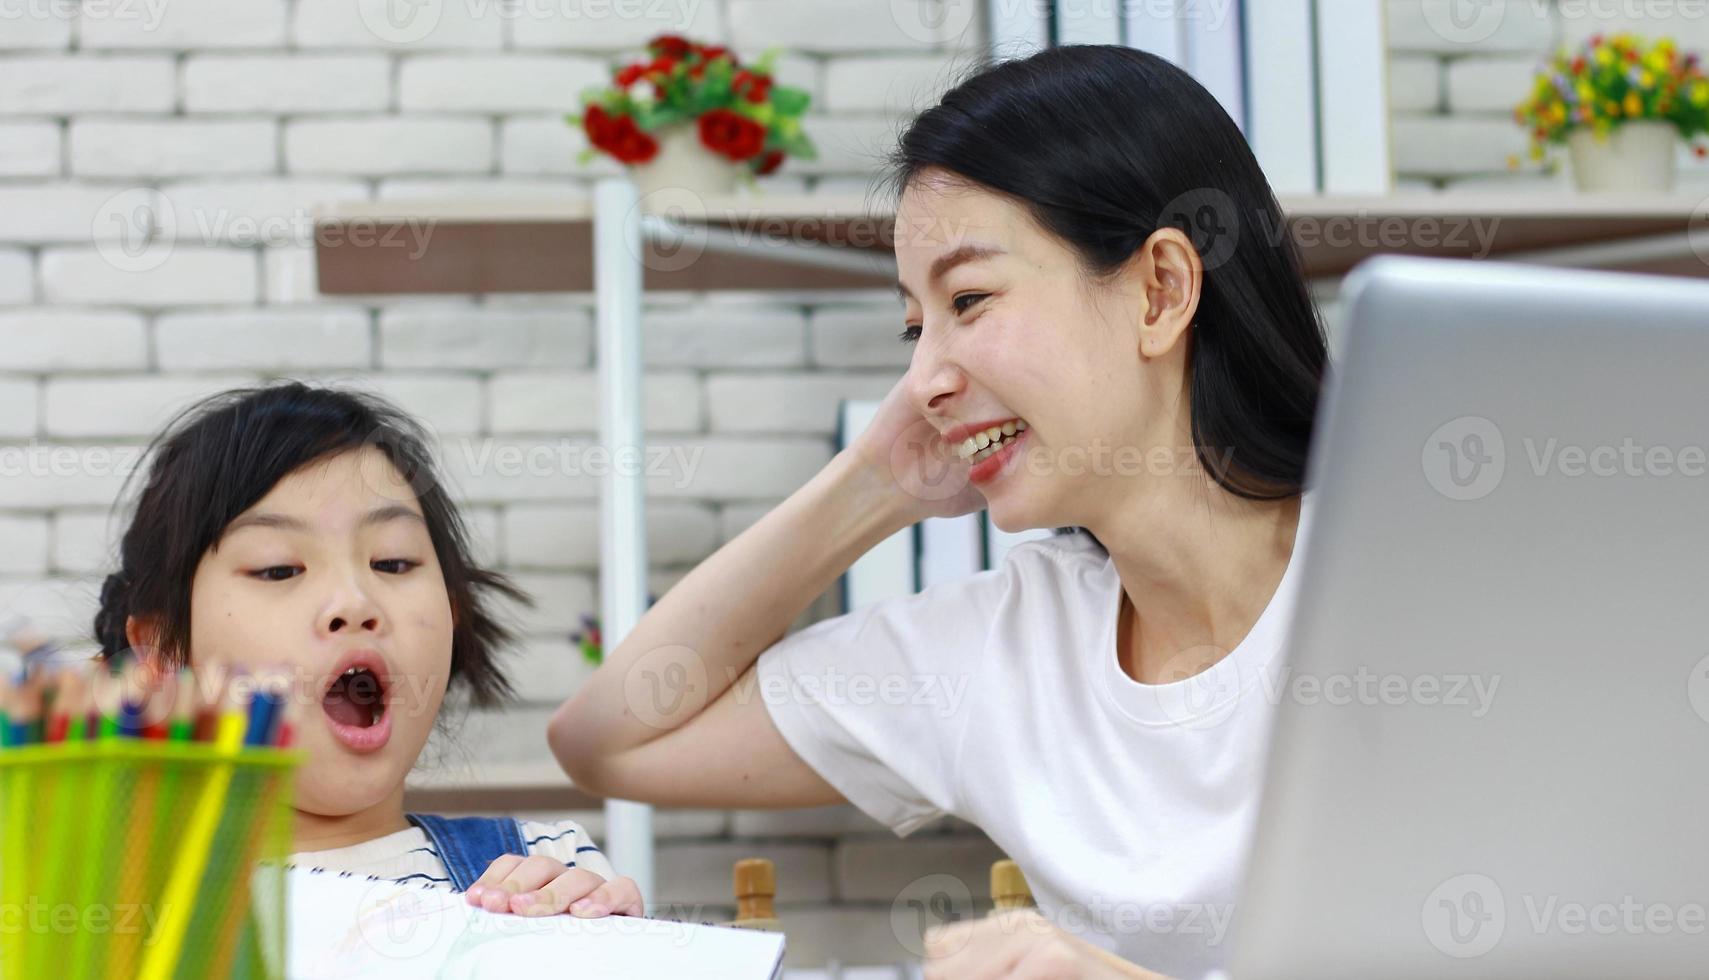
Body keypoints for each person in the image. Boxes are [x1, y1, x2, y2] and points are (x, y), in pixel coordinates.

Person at [503, 43, 1328, 979]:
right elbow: (610, 740)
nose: (924, 379)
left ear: (1161, 289)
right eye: (913, 325)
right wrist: (873, 484)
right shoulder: (1006, 646)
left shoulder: (1423, 589)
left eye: (968, 299)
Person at [92, 382, 642, 918]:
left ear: (452, 615)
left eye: (393, 563)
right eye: (278, 568)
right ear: (162, 654)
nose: (354, 602)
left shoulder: (546, 866)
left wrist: (604, 947)